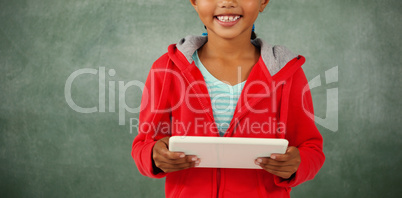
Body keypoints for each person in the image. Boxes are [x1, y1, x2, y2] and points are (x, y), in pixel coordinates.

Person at [131, 0, 325, 197]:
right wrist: (155, 156)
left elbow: (311, 149)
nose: (227, 2)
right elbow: (143, 145)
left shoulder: (286, 72)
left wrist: (297, 163)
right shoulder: (166, 69)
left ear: (263, 2)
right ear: (194, 2)